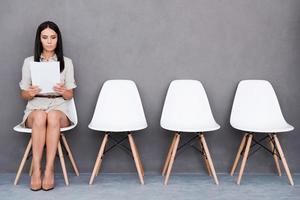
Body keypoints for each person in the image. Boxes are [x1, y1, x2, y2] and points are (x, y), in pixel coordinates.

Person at [19, 21, 77, 191]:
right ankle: (37, 170)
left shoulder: (66, 62)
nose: (49, 41)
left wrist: (63, 90)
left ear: (58, 39)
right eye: (45, 37)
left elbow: (70, 95)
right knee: (40, 115)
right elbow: (23, 94)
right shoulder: (29, 62)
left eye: (53, 37)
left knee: (51, 116)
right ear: (39, 40)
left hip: (59, 106)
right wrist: (29, 93)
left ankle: (49, 169)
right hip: (35, 107)